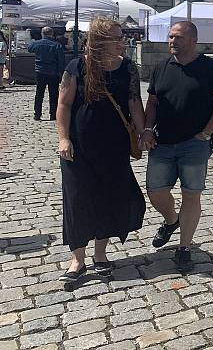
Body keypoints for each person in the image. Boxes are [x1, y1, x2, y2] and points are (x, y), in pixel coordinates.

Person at [55, 17, 146, 283]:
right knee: (77, 200)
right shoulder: (77, 67)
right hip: (79, 147)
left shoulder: (128, 68)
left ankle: (100, 254)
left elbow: (134, 102)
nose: (122, 41)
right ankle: (77, 260)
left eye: (122, 36)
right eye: (117, 37)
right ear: (100, 41)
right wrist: (63, 138)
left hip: (113, 147)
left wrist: (143, 132)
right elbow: (63, 105)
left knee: (108, 197)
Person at [140, 21, 213, 268]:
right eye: (170, 37)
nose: (172, 41)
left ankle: (184, 247)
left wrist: (206, 133)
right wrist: (148, 129)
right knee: (155, 191)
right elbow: (153, 103)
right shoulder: (161, 67)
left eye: (178, 37)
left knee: (191, 194)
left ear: (193, 40)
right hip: (163, 142)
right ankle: (171, 220)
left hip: (194, 144)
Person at [28, 26, 66, 121]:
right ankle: (53, 114)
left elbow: (29, 48)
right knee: (53, 94)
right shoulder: (57, 45)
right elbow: (61, 60)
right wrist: (61, 72)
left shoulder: (37, 44)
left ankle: (37, 114)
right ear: (52, 34)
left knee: (39, 93)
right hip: (53, 72)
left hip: (40, 71)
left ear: (42, 33)